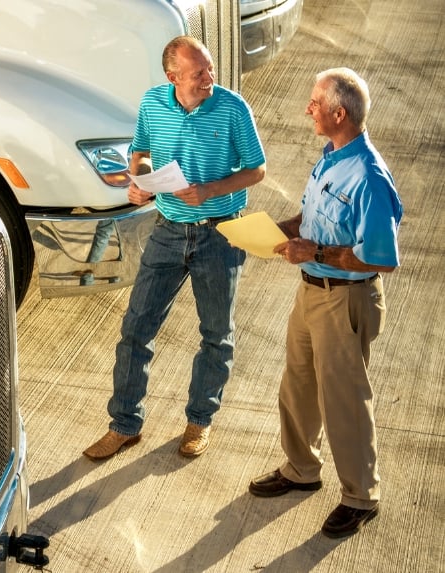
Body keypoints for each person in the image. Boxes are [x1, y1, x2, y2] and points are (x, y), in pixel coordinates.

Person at [83, 36, 266, 460]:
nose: (209, 78)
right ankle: (124, 426)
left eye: (210, 68)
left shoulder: (233, 107)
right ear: (173, 78)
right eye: (199, 72)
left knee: (216, 336)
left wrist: (212, 190)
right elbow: (141, 152)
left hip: (219, 233)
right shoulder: (153, 104)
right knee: (135, 330)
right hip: (167, 230)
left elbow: (257, 169)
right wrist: (140, 183)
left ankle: (199, 422)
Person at [248, 68, 402, 539]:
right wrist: (285, 229)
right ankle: (301, 469)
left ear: (340, 113)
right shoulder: (331, 156)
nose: (307, 109)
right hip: (311, 291)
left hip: (346, 299)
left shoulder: (370, 178)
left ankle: (360, 496)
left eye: (315, 103)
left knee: (345, 401)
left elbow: (380, 259)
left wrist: (313, 252)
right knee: (297, 385)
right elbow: (314, 215)